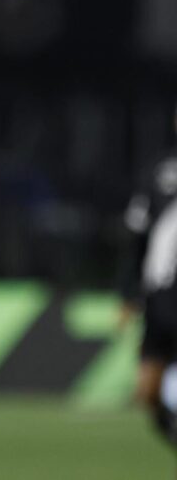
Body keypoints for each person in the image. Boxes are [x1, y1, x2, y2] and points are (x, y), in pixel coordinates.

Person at [120, 105, 177, 449]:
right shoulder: (159, 170)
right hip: (160, 296)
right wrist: (128, 292)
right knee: (147, 391)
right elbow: (137, 236)